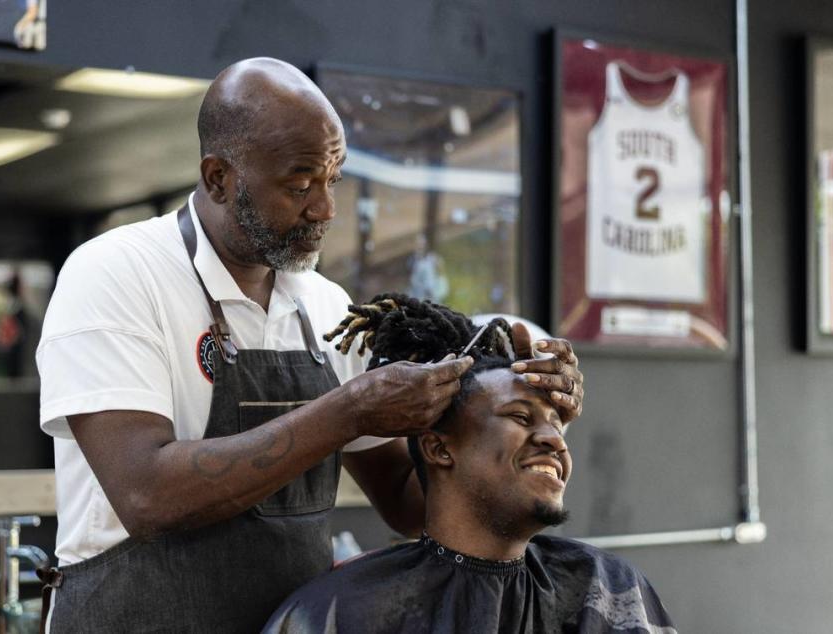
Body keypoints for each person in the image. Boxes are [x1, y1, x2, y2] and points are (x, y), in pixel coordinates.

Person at [35, 58, 584, 633]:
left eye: (332, 179)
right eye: (300, 185)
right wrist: (348, 412)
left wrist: (522, 426)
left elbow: (405, 502)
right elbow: (146, 495)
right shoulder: (118, 274)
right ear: (218, 177)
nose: (325, 209)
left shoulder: (322, 308)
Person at [264, 294, 675, 634]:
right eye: (519, 417)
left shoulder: (609, 591)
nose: (554, 440)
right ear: (440, 449)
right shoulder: (338, 615)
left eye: (557, 424)